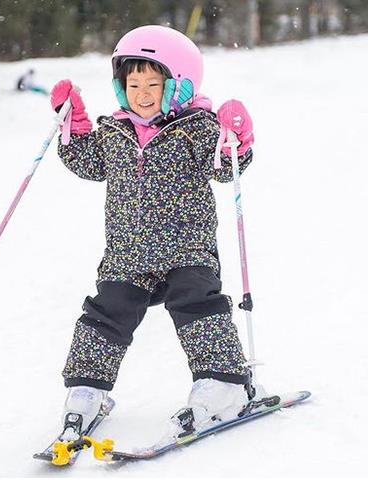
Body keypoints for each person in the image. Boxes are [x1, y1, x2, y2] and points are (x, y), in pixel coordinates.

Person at [49, 25, 258, 445]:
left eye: (153, 84)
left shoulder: (196, 127)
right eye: (133, 84)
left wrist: (235, 140)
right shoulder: (114, 131)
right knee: (105, 315)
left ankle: (223, 383)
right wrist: (74, 122)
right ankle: (87, 389)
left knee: (198, 307)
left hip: (187, 248)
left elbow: (224, 168)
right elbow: (87, 163)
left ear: (179, 86)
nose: (142, 94)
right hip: (127, 253)